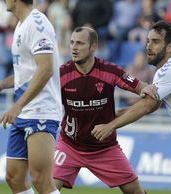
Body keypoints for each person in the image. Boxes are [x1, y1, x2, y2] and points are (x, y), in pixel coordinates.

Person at [91, 20, 171, 194]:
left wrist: (110, 126)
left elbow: (147, 106)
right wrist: (115, 115)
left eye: (155, 41)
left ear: (169, 47)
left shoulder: (169, 70)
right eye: (148, 41)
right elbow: (153, 106)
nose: (148, 46)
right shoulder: (168, 70)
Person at [53, 26, 153, 194]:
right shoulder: (61, 74)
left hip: (104, 149)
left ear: (93, 46)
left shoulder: (111, 71)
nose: (74, 48)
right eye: (72, 43)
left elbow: (145, 90)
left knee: (136, 192)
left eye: (80, 43)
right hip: (69, 146)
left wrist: (122, 115)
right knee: (46, 189)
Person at [0, 0, 62, 194]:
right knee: (14, 178)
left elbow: (45, 70)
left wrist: (17, 106)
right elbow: (27, 73)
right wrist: (2, 85)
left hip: (41, 111)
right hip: (24, 112)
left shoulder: (37, 24)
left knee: (41, 181)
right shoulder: (21, 24)